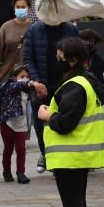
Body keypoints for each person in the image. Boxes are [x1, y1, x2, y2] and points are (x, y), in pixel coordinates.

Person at [37, 38, 104, 207]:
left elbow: (65, 122)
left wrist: (47, 116)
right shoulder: (89, 81)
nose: (57, 60)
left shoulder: (76, 86)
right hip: (80, 155)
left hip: (71, 156)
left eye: (59, 56)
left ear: (72, 59)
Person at [23, 19, 79, 173]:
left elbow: (78, 57)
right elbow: (28, 59)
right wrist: (37, 82)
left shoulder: (71, 30)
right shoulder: (34, 30)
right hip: (42, 85)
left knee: (63, 119)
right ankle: (45, 153)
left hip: (65, 84)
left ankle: (62, 156)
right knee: (41, 122)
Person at [0, 65, 44, 184]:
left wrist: (40, 94)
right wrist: (30, 83)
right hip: (8, 123)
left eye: (27, 77)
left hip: (21, 124)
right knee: (8, 149)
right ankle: (6, 171)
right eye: (21, 77)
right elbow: (18, 85)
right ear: (15, 78)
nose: (25, 79)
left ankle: (20, 173)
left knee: (21, 149)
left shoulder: (28, 90)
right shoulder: (9, 86)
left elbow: (35, 101)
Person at [0, 0, 34, 90]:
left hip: (28, 78)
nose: (20, 9)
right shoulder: (6, 27)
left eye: (23, 7)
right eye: (18, 7)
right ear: (14, 9)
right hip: (6, 76)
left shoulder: (34, 28)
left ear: (29, 9)